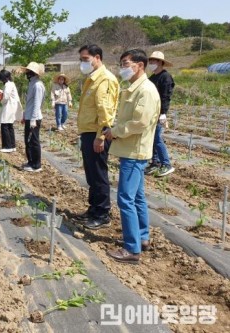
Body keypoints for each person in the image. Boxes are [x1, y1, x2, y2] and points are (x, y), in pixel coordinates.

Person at [103, 49, 160, 264]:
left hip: (135, 152)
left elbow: (140, 123)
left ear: (140, 65)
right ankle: (142, 238)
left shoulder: (145, 90)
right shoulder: (137, 88)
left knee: (125, 199)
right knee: (136, 197)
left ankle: (131, 249)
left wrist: (114, 132)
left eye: (126, 64)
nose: (123, 68)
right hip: (132, 150)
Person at [75, 44, 120, 230]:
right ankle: (93, 209)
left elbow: (105, 110)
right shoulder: (93, 79)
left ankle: (102, 214)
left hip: (96, 134)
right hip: (88, 132)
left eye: (85, 59)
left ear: (97, 57)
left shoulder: (105, 80)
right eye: (81, 59)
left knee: (99, 174)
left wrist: (101, 136)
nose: (83, 63)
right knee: (91, 173)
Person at [145, 51, 175, 177]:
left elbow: (165, 97)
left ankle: (166, 164)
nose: (152, 63)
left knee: (157, 138)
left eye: (155, 61)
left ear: (161, 63)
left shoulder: (165, 77)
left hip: (159, 113)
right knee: (152, 138)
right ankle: (155, 162)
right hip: (150, 113)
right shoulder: (151, 78)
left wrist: (163, 114)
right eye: (150, 61)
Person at [21, 62, 45, 172]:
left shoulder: (38, 85)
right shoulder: (32, 83)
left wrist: (33, 119)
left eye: (29, 72)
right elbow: (29, 102)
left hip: (34, 118)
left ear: (34, 73)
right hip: (29, 116)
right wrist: (25, 115)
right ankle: (30, 162)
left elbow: (37, 103)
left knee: (34, 141)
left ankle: (36, 165)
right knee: (28, 141)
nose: (27, 73)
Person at [0, 69, 22, 153]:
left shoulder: (8, 85)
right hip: (12, 106)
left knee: (5, 125)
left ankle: (7, 146)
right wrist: (0, 91)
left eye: (1, 79)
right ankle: (12, 146)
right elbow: (7, 93)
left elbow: (5, 98)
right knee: (9, 126)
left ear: (5, 78)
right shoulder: (10, 84)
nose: (1, 81)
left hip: (9, 106)